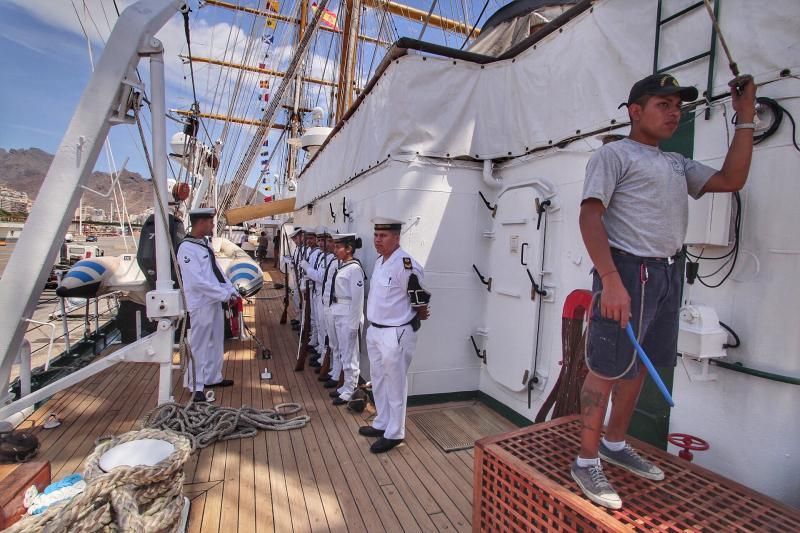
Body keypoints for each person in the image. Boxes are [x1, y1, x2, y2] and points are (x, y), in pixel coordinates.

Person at [573, 73, 756, 509]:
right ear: (636, 111)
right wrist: (611, 280)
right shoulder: (614, 155)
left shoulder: (677, 164)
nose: (675, 112)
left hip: (669, 273)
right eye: (663, 104)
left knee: (638, 367)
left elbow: (732, 180)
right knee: (606, 366)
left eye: (678, 106)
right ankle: (585, 459)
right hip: (625, 270)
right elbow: (589, 218)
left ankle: (616, 444)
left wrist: (745, 119)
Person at [360, 217, 431, 453]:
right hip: (376, 331)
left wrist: (419, 314)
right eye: (376, 235)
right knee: (378, 379)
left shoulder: (405, 264)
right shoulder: (381, 261)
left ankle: (395, 433)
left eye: (384, 236)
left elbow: (418, 296)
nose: (378, 240)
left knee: (395, 383)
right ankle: (382, 422)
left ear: (397, 237)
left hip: (396, 333)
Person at [178, 208, 240, 402]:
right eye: (211, 222)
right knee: (199, 344)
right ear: (201, 223)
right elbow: (197, 281)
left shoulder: (204, 244)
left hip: (214, 301)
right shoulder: (186, 248)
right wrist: (223, 294)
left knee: (216, 340)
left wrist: (230, 289)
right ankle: (195, 385)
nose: (213, 226)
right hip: (200, 303)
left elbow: (216, 271)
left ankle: (213, 377)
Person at [328, 233, 366, 405]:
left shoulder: (355, 269)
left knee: (351, 354)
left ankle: (351, 389)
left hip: (349, 314)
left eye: (338, 247)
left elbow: (358, 299)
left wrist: (353, 324)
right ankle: (345, 386)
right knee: (344, 352)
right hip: (339, 311)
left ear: (349, 249)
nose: (335, 250)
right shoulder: (343, 266)